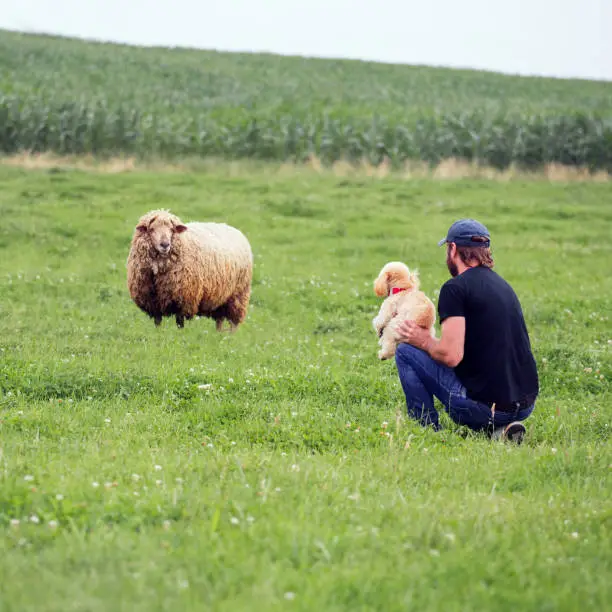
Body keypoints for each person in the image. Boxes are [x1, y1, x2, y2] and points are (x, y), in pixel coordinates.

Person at [395, 219, 539, 443]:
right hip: (524, 406)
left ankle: (426, 430)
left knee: (405, 350)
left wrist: (423, 340)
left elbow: (451, 356)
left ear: (453, 249)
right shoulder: (503, 286)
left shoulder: (455, 288)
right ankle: (501, 432)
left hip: (485, 408)